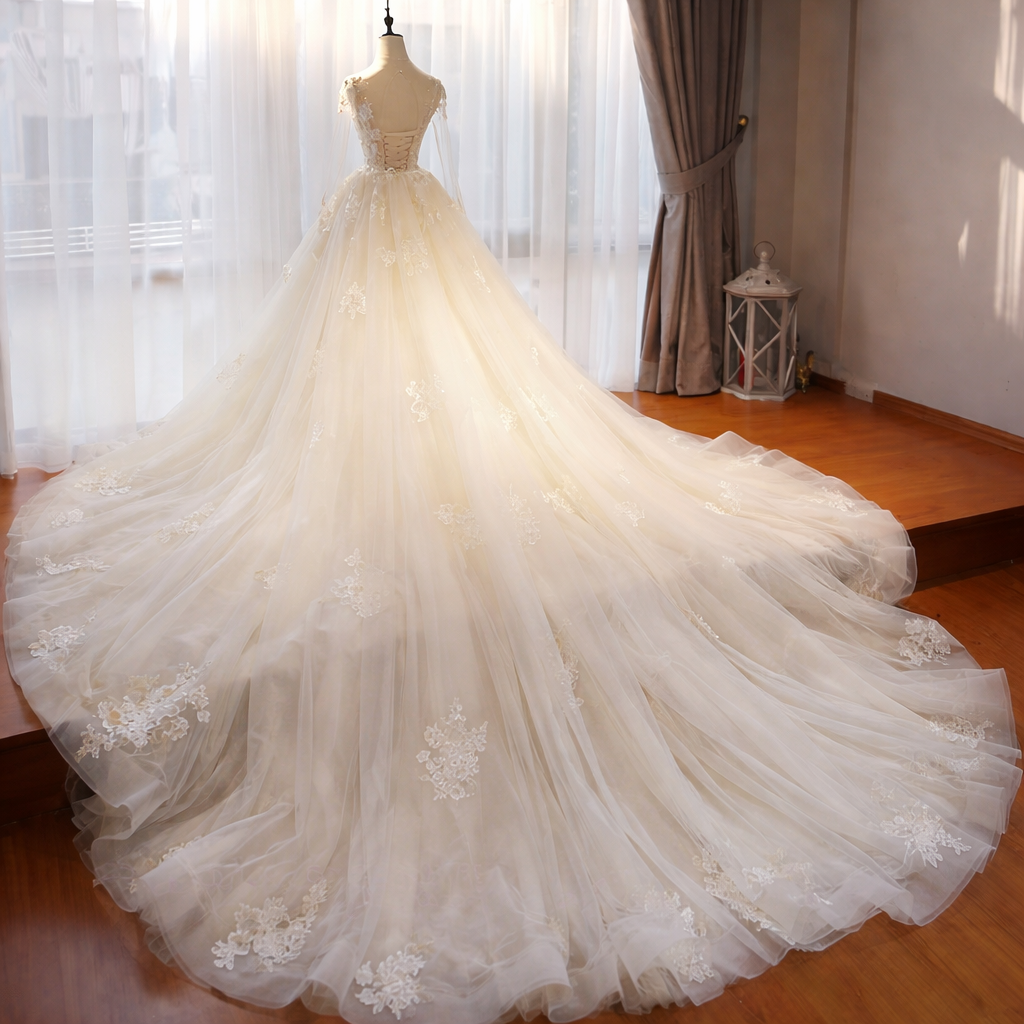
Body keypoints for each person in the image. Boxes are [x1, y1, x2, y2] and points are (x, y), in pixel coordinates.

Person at [4, 25, 1019, 1024]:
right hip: (382, 231)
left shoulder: (397, 82)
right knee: (351, 394)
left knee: (448, 392)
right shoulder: (382, 80)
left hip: (393, 227)